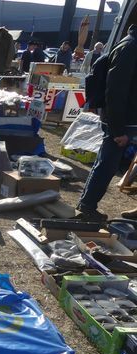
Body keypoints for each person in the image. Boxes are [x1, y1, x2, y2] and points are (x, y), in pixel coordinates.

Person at [76, 25, 137, 221]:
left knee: (107, 162)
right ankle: (87, 207)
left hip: (128, 119)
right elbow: (116, 90)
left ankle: (87, 205)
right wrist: (117, 129)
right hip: (124, 121)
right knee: (107, 164)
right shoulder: (131, 47)